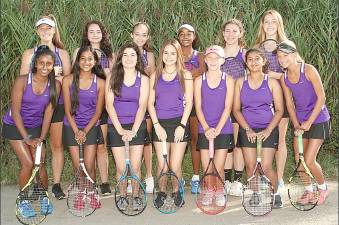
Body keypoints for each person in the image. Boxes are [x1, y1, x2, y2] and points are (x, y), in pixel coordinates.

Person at [3, 46, 60, 217]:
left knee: (39, 163)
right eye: (41, 63)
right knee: (28, 164)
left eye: (48, 64)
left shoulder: (54, 84)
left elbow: (48, 114)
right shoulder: (22, 80)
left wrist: (41, 138)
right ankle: (23, 200)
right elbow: (16, 110)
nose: (44, 66)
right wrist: (27, 138)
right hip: (14, 125)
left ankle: (43, 197)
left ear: (52, 66)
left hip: (36, 126)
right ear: (35, 64)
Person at [20, 15, 71, 199]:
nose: (45, 31)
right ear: (37, 31)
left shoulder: (62, 54)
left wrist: (58, 77)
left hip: (57, 104)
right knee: (36, 147)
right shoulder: (29, 53)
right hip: (35, 107)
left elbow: (69, 81)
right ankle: (37, 184)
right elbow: (24, 81)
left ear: (54, 30)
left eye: (48, 28)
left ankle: (56, 184)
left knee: (57, 145)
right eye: (42, 28)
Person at [277, 40, 331, 205]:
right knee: (300, 161)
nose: (281, 59)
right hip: (300, 123)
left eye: (285, 55)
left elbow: (322, 98)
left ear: (294, 54)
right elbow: (289, 104)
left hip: (318, 119)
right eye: (279, 56)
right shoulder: (284, 77)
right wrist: (296, 124)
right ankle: (309, 191)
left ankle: (323, 188)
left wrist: (308, 123)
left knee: (309, 160)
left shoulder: (308, 70)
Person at [233, 48, 284, 208]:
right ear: (246, 63)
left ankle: (275, 194)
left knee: (267, 166)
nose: (254, 62)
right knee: (251, 165)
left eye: (257, 59)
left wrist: (268, 130)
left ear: (263, 61)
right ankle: (255, 193)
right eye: (250, 59)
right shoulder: (240, 82)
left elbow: (280, 110)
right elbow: (235, 109)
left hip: (267, 128)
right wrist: (247, 129)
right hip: (247, 129)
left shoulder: (272, 82)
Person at [149, 39, 193, 207]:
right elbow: (150, 104)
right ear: (162, 55)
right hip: (159, 124)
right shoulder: (155, 75)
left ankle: (176, 191)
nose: (169, 56)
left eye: (173, 53)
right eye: (166, 53)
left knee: (174, 165)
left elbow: (189, 103)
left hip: (179, 124)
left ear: (178, 55)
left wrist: (182, 125)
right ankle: (161, 192)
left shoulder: (185, 75)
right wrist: (156, 125)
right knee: (163, 165)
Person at [106, 42, 149, 211]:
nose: (129, 58)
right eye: (125, 55)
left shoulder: (143, 79)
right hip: (116, 125)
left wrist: (134, 130)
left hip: (136, 126)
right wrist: (120, 130)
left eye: (132, 55)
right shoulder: (112, 76)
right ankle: (122, 196)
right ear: (120, 58)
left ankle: (136, 195)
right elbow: (109, 105)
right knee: (122, 167)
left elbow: (142, 106)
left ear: (137, 58)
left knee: (136, 166)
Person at [73, 21, 115, 195]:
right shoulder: (79, 51)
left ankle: (105, 182)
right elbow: (73, 75)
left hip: (102, 103)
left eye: (98, 31)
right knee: (87, 145)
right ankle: (91, 182)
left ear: (103, 34)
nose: (95, 34)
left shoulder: (109, 53)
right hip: (84, 105)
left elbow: (113, 78)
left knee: (101, 145)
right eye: (91, 31)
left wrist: (106, 74)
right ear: (86, 34)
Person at [62, 46, 105, 209]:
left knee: (89, 164)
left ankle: (91, 192)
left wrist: (85, 131)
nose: (86, 62)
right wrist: (76, 131)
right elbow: (67, 110)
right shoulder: (68, 80)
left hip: (91, 126)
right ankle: (81, 193)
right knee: (77, 165)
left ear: (95, 62)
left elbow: (98, 112)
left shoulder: (100, 82)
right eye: (83, 59)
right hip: (71, 126)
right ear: (77, 61)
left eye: (90, 59)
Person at [194, 45, 234, 206]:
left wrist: (217, 128)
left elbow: (228, 107)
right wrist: (206, 127)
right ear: (205, 59)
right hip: (205, 128)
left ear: (222, 60)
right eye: (209, 57)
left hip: (223, 128)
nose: (213, 61)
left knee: (218, 165)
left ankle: (219, 191)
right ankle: (209, 190)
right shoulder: (199, 80)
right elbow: (198, 107)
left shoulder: (228, 80)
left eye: (216, 58)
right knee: (207, 166)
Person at [255, 10, 289, 192]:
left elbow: (292, 72)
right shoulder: (257, 48)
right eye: (266, 21)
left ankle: (280, 178)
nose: (269, 25)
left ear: (279, 24)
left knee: (280, 141)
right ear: (262, 24)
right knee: (264, 140)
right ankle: (263, 177)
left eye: (273, 22)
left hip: (282, 99)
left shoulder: (285, 46)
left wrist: (269, 74)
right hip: (261, 102)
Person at [177, 23, 206, 194]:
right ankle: (178, 177)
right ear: (178, 37)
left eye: (189, 34)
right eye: (182, 34)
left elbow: (201, 71)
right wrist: (191, 75)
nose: (186, 36)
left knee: (195, 140)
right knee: (177, 141)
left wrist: (184, 75)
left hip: (195, 103)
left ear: (194, 37)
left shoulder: (200, 56)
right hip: (175, 104)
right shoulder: (173, 55)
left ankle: (195, 177)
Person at [220, 19, 246, 197]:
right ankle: (227, 180)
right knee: (227, 145)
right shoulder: (216, 53)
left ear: (240, 34)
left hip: (240, 105)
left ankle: (237, 181)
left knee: (238, 144)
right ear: (223, 34)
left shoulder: (244, 54)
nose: (230, 34)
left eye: (234, 31)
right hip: (220, 106)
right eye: (227, 31)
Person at [131, 22, 156, 193]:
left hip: (145, 101)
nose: (140, 37)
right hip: (128, 102)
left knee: (145, 140)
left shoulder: (150, 55)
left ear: (147, 37)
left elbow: (152, 79)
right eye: (137, 34)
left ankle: (148, 175)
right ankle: (131, 175)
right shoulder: (123, 53)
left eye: (144, 34)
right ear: (132, 35)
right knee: (129, 139)